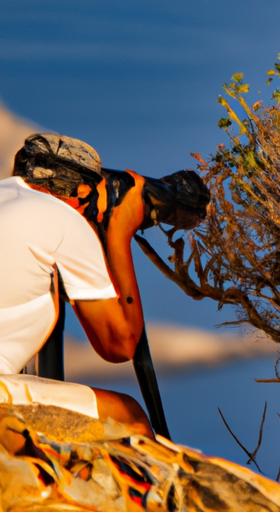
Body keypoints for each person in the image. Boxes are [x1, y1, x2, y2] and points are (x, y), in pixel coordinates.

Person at [0, 133, 209, 437]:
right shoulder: (62, 217)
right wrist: (119, 230)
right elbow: (119, 345)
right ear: (82, 190)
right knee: (129, 416)